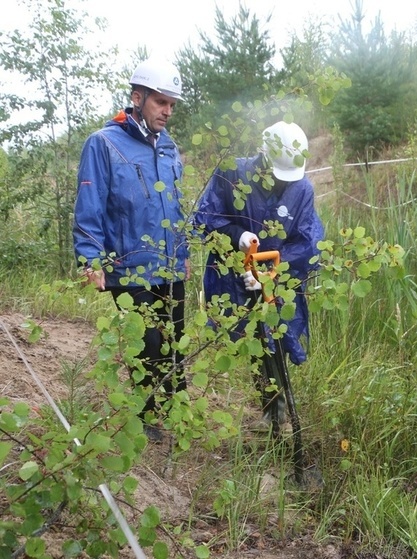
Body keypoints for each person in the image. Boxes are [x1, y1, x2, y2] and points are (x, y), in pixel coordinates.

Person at [73, 58, 190, 443]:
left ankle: (174, 410)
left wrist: (184, 252)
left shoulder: (169, 148)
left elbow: (175, 205)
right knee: (148, 344)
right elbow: (90, 204)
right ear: (137, 98)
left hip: (170, 264)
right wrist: (90, 259)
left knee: (174, 338)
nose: (167, 111)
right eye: (161, 102)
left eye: (172, 104)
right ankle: (145, 418)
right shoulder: (103, 143)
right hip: (129, 266)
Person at [195, 120, 324, 432]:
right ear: (264, 156)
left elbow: (309, 245)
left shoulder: (301, 188)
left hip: (278, 280)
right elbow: (205, 218)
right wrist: (237, 235)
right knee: (252, 338)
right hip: (234, 277)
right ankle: (271, 413)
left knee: (277, 337)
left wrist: (271, 274)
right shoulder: (232, 173)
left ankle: (283, 416)